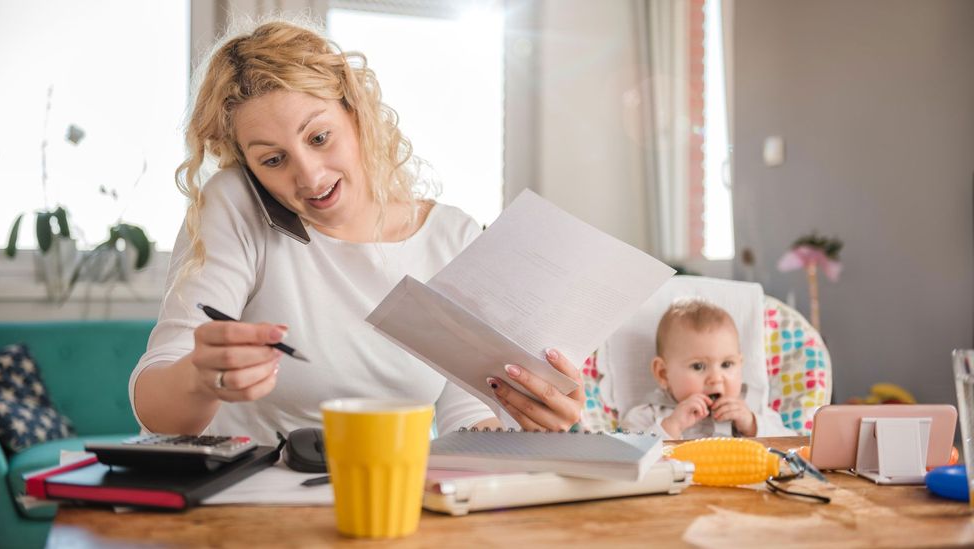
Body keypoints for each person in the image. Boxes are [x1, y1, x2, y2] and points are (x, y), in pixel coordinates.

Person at [129, 19, 583, 445]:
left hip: (387, 499)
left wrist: (533, 429)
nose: (308, 176)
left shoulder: (453, 236)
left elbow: (465, 417)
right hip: (256, 505)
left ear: (356, 113)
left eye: (319, 138)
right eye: (272, 160)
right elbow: (157, 406)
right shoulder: (237, 204)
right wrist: (199, 378)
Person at [620, 298, 792, 439]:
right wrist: (671, 427)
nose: (716, 378)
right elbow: (627, 458)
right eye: (698, 366)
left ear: (740, 364)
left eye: (726, 364)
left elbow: (791, 446)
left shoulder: (752, 408)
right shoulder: (646, 416)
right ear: (663, 374)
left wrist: (752, 425)